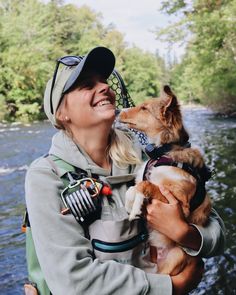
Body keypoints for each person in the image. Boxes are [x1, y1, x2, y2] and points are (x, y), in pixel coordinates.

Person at [25, 46, 225, 295]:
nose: (104, 88)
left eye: (104, 81)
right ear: (61, 113)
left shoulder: (148, 158)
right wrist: (172, 287)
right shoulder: (46, 177)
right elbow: (74, 282)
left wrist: (184, 233)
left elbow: (216, 231)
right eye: (87, 85)